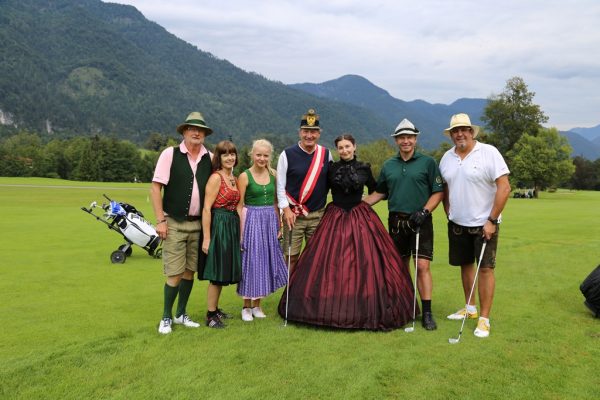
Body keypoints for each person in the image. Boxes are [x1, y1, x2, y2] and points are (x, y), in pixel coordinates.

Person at [278, 134, 415, 330]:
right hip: (334, 216)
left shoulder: (364, 168)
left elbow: (379, 189)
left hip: (360, 217)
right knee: (330, 263)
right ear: (338, 150)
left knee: (366, 261)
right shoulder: (331, 168)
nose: (344, 150)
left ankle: (362, 304)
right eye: (340, 147)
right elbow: (318, 188)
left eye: (347, 146)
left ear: (354, 147)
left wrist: (365, 204)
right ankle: (327, 304)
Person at [363, 118, 443, 331]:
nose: (405, 141)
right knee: (399, 266)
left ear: (415, 139)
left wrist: (425, 211)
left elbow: (438, 192)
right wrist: (356, 205)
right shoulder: (389, 165)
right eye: (401, 137)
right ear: (396, 140)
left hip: (421, 219)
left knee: (423, 266)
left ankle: (426, 313)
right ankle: (405, 307)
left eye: (409, 137)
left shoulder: (428, 162)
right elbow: (380, 192)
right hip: (396, 221)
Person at [439, 113, 511, 338]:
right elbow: (446, 188)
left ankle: (484, 319)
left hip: (484, 224)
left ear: (471, 132)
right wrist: (449, 211)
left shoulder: (489, 152)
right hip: (458, 223)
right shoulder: (447, 158)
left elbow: (504, 187)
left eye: (464, 130)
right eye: (455, 131)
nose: (460, 134)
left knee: (486, 269)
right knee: (465, 265)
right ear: (451, 135)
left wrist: (491, 220)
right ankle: (470, 309)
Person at [151, 111, 213, 334]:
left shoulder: (210, 158)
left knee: (190, 271)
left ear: (205, 134)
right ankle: (166, 316)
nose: (196, 133)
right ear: (184, 131)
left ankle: (181, 314)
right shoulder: (170, 154)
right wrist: (160, 220)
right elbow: (156, 187)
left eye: (200, 130)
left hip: (198, 224)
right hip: (175, 222)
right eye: (192, 129)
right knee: (175, 272)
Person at [236, 139, 288, 321]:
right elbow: (239, 205)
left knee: (264, 263)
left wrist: (278, 224)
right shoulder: (244, 176)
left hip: (269, 221)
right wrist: (241, 231)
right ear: (252, 154)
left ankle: (257, 305)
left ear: (270, 157)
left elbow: (276, 203)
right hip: (252, 221)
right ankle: (245, 306)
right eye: (258, 154)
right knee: (250, 262)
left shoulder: (273, 174)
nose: (262, 158)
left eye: (265, 155)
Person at [276, 108, 332, 272]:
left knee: (316, 257)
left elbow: (332, 182)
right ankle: (291, 292)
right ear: (300, 132)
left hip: (317, 215)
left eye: (313, 132)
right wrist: (285, 209)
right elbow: (280, 186)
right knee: (291, 256)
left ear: (319, 134)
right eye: (306, 131)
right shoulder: (287, 154)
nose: (309, 135)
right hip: (293, 216)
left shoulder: (326, 154)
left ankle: (311, 293)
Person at [199, 140, 242, 329]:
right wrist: (207, 238)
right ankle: (210, 315)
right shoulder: (216, 177)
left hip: (231, 226)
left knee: (223, 271)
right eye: (225, 154)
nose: (230, 157)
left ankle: (215, 309)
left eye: (232, 154)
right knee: (216, 273)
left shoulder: (234, 177)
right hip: (219, 226)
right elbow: (207, 209)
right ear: (219, 157)